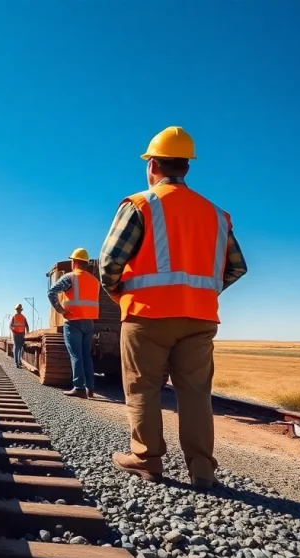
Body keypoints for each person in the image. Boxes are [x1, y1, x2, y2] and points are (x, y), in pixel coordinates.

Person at [99, 126, 247, 490]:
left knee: (143, 388)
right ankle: (202, 469)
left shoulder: (140, 205)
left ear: (152, 165)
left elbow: (108, 263)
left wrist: (121, 294)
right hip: (199, 318)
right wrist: (202, 293)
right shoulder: (217, 215)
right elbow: (237, 267)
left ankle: (147, 459)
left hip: (146, 314)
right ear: (186, 168)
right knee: (195, 393)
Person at [47, 248, 100, 398]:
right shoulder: (95, 281)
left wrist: (61, 310)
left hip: (73, 322)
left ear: (74, 262)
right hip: (89, 322)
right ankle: (90, 389)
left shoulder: (69, 277)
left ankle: (79, 388)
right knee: (86, 355)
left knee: (76, 356)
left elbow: (51, 292)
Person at [9, 303, 29, 368]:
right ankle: (17, 362)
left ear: (21, 310)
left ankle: (19, 361)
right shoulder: (14, 316)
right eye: (18, 309)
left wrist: (27, 333)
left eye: (19, 309)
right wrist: (13, 331)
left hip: (22, 334)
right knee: (17, 347)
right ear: (16, 309)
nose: (19, 310)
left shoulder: (23, 317)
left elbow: (26, 325)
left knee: (21, 348)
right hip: (16, 334)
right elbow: (10, 326)